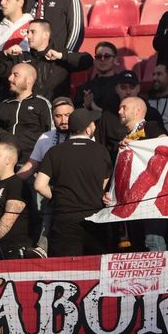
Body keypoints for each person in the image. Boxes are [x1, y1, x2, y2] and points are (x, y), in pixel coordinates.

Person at [35, 108, 112, 256]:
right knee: (95, 270)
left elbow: (39, 185)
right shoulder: (102, 151)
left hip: (64, 219)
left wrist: (58, 196)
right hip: (95, 219)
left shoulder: (54, 152)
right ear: (89, 129)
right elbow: (103, 185)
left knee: (66, 271)